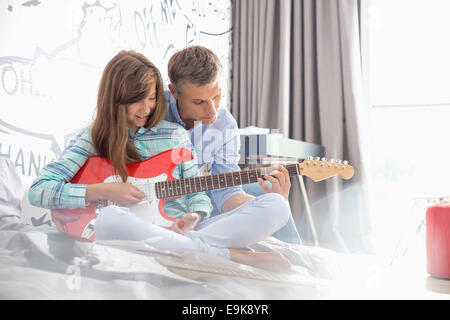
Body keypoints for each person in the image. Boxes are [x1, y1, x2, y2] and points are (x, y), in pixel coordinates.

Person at [29, 50, 291, 271]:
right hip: (129, 223)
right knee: (109, 219)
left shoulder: (175, 135)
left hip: (176, 228)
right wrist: (102, 191)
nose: (146, 108)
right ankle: (222, 256)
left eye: (151, 99)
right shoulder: (94, 138)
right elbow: (40, 190)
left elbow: (200, 193)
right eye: (136, 101)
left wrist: (195, 215)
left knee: (277, 206)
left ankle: (185, 250)